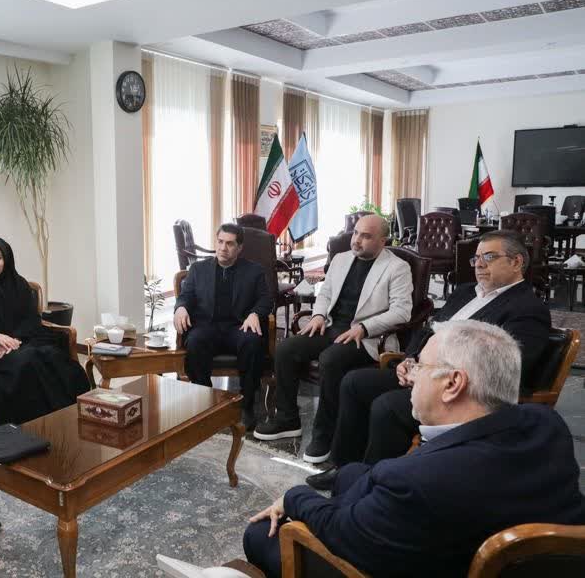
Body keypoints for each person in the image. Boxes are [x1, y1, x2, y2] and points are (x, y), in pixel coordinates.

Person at [244, 320, 585, 578]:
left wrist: (294, 498)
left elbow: (340, 529)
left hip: (402, 557)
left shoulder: (415, 481)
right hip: (475, 540)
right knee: (351, 473)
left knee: (259, 534)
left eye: (420, 366)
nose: (411, 376)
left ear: (452, 384)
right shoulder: (547, 426)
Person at [307, 230, 550, 491]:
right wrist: (410, 360)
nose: (479, 264)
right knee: (354, 382)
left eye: (489, 257)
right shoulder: (465, 292)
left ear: (516, 262)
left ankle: (373, 483)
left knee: (387, 406)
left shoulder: (527, 309)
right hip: (424, 372)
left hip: (460, 392)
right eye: (476, 258)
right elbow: (427, 331)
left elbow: (506, 368)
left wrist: (435, 374)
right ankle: (344, 467)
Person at [253, 215, 412, 465]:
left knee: (331, 359)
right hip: (329, 327)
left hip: (367, 338)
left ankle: (324, 434)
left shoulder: (397, 267)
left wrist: (364, 328)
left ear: (383, 241)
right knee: (286, 349)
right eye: (356, 233)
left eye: (366, 236)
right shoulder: (340, 259)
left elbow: (402, 311)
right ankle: (287, 419)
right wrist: (318, 315)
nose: (356, 240)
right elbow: (325, 294)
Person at [0, 236, 90, 426]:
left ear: (6, 259)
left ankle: (67, 417)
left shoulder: (18, 284)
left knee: (53, 356)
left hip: (23, 341)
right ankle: (36, 425)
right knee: (28, 362)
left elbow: (32, 319)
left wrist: (12, 340)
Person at [174, 223, 273, 430]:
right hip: (207, 326)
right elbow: (186, 296)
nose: (223, 248)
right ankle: (204, 400)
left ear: (239, 248)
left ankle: (246, 404)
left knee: (252, 342)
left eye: (229, 244)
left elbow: (266, 300)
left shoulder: (254, 271)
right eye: (220, 242)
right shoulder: (198, 269)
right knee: (195, 341)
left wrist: (255, 313)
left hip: (239, 326)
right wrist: (181, 308)